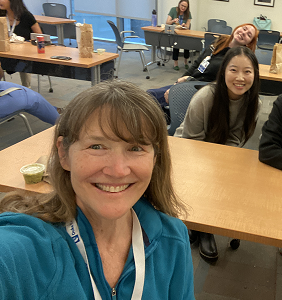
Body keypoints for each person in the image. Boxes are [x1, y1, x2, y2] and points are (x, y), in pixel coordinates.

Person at [0, 81, 195, 299]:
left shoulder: (173, 239)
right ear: (63, 154)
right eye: (97, 147)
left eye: (135, 148)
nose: (118, 170)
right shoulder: (24, 249)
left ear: (155, 158)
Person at [175, 47, 261, 262]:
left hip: (222, 154)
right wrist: (213, 168)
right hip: (187, 150)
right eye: (234, 70)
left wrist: (222, 165)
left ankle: (203, 226)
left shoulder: (254, 104)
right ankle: (199, 225)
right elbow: (191, 140)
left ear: (255, 75)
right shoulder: (205, 97)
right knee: (205, 180)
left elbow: (237, 139)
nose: (240, 77)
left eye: (247, 72)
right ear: (223, 71)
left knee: (237, 180)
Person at [147, 23, 258, 109]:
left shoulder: (237, 59)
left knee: (151, 98)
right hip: (189, 82)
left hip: (202, 91)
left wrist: (186, 83)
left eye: (249, 35)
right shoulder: (220, 41)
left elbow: (218, 84)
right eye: (244, 29)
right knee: (150, 98)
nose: (244, 33)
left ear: (248, 43)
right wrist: (177, 84)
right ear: (238, 28)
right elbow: (197, 63)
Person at [0, 0, 43, 88]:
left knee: (24, 63)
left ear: (12, 0)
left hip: (24, 54)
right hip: (4, 52)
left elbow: (40, 37)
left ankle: (27, 89)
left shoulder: (26, 16)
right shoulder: (1, 15)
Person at [166, 0, 192, 70]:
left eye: (185, 7)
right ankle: (175, 63)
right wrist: (173, 21)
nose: (183, 8)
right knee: (176, 45)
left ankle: (185, 62)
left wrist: (185, 25)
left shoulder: (188, 13)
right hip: (176, 32)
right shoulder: (173, 10)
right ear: (179, 4)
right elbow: (167, 22)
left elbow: (188, 25)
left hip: (184, 32)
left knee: (186, 46)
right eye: (182, 5)